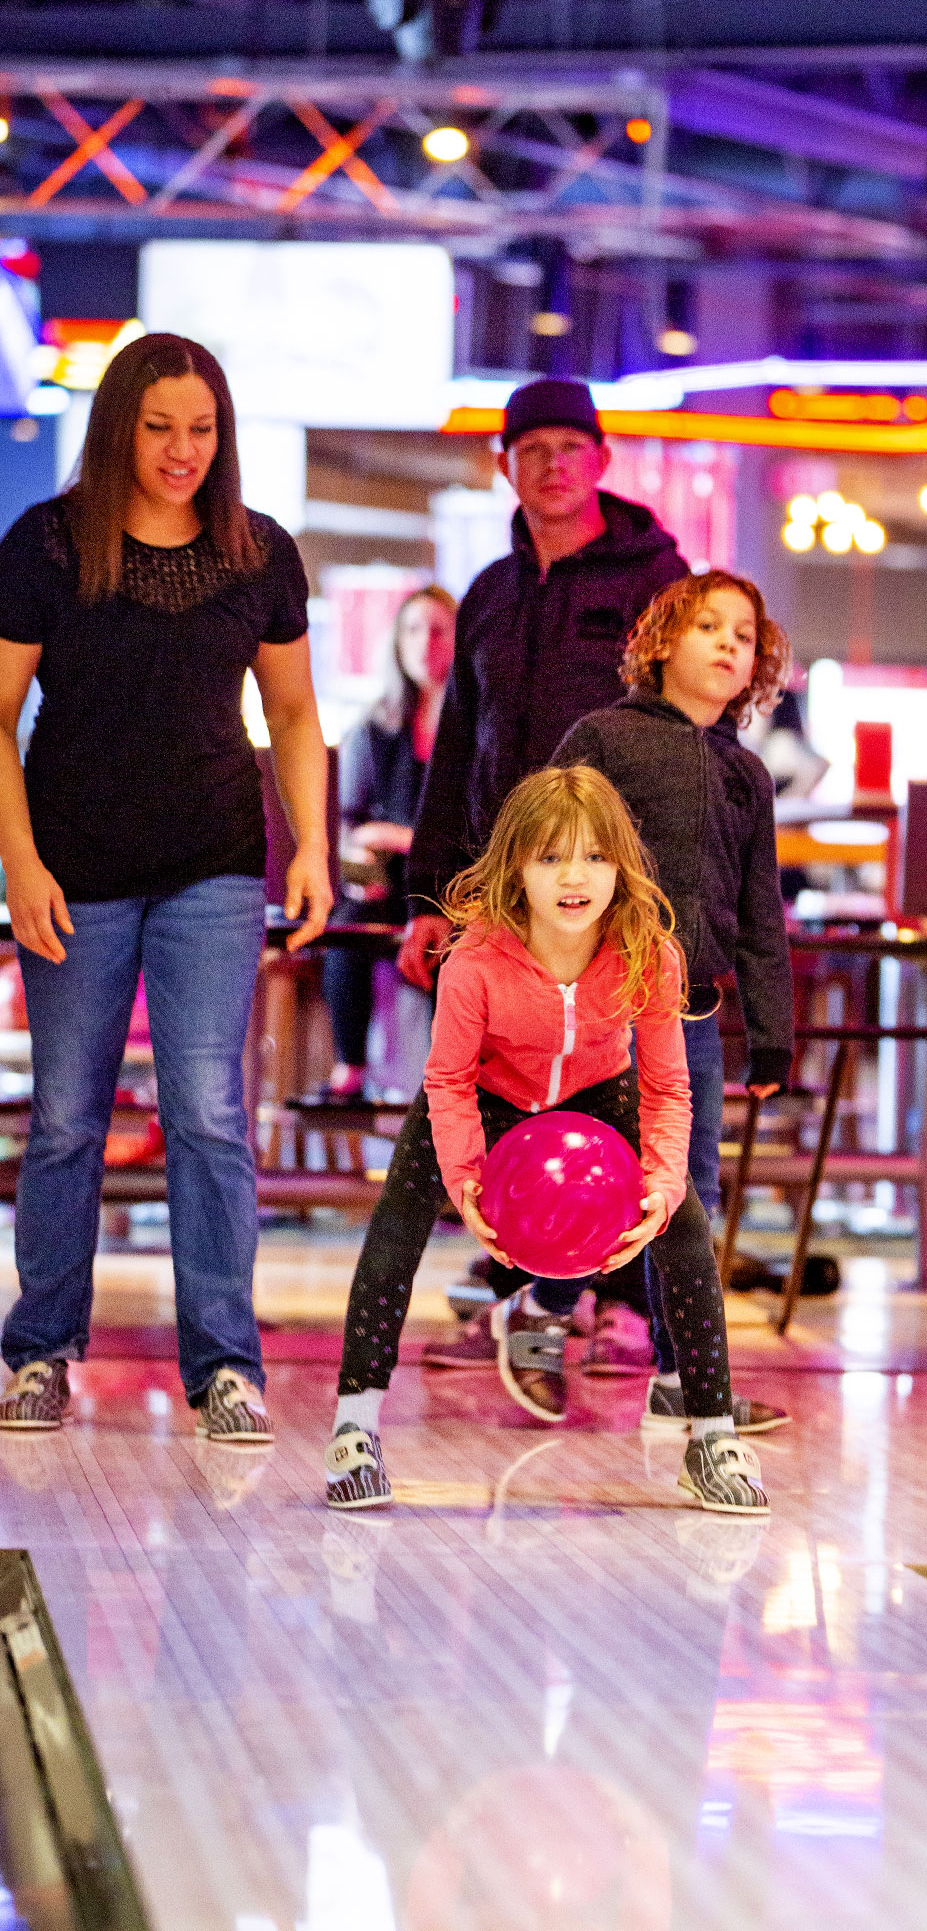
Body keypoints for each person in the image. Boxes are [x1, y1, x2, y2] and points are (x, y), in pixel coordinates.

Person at [0, 332, 331, 1438]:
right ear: (118, 428)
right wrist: (21, 863)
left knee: (208, 1113)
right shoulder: (48, 544)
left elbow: (291, 715)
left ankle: (225, 1361)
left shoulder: (258, 553)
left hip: (213, 864)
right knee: (62, 1120)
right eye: (159, 427)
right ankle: (41, 1347)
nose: (182, 449)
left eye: (201, 428)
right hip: (74, 865)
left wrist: (314, 849)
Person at [324, 764, 768, 1517]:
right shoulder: (474, 962)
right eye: (551, 857)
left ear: (621, 867)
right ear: (516, 869)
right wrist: (465, 1183)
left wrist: (660, 1187)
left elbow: (667, 1088)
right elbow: (448, 1080)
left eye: (595, 857)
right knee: (396, 1227)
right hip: (490, 1091)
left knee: (684, 1226)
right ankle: (355, 1429)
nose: (575, 877)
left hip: (600, 1092)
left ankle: (711, 1435)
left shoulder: (648, 954)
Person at [547, 570, 795, 1436]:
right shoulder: (601, 741)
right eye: (708, 627)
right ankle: (540, 1325)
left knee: (687, 1194)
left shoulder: (747, 775)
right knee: (581, 1176)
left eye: (744, 634)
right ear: (659, 643)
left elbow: (762, 913)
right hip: (598, 1006)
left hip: (688, 1020)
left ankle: (686, 1379)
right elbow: (547, 860)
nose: (730, 643)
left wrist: (771, 1034)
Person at [399, 377, 686, 996]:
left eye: (570, 447)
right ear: (504, 466)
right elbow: (453, 753)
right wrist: (426, 897)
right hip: (496, 892)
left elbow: (692, 743)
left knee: (616, 1086)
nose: (553, 465)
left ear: (601, 461)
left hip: (618, 893)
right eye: (532, 449)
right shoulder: (488, 593)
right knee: (479, 1086)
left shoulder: (660, 582)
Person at [323, 585, 456, 1096]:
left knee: (461, 938)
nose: (426, 641)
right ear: (397, 642)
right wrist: (369, 863)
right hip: (389, 883)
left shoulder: (478, 728)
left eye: (439, 629)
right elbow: (354, 827)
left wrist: (403, 835)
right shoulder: (374, 729)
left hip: (455, 881)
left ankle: (451, 1077)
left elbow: (482, 826)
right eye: (413, 629)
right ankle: (349, 1067)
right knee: (349, 924)